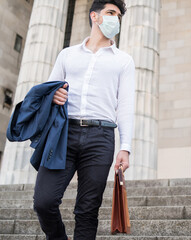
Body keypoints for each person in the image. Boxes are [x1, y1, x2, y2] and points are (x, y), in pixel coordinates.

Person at [32, 0, 135, 239]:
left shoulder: (123, 60)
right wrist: (54, 94)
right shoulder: (67, 55)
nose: (115, 19)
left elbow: (126, 105)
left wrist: (125, 147)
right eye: (110, 13)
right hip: (63, 135)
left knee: (87, 211)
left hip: (101, 137)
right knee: (44, 202)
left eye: (118, 15)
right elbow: (48, 90)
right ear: (94, 16)